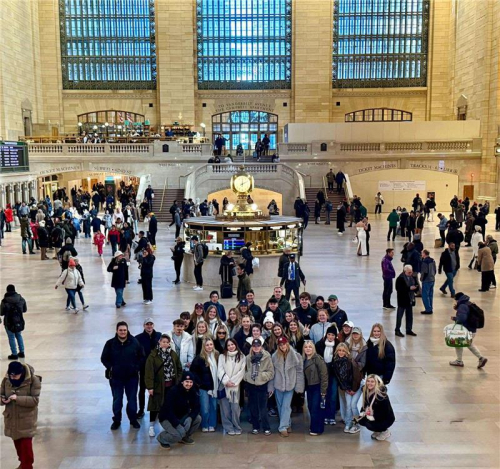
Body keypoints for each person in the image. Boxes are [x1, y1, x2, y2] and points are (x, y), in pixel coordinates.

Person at [100, 321, 144, 430]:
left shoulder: (135, 342)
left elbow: (142, 357)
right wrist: (111, 368)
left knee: (132, 400)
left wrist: (136, 367)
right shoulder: (110, 343)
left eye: (124, 330)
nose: (123, 332)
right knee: (117, 400)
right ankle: (117, 420)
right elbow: (104, 358)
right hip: (116, 378)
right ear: (116, 331)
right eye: (120, 330)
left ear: (127, 330)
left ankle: (133, 420)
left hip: (131, 378)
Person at [1, 361, 42, 469]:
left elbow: (34, 400)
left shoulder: (33, 381)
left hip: (26, 420)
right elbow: (1, 393)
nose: (13, 378)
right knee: (18, 444)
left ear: (22, 373)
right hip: (12, 419)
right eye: (11, 375)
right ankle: (23, 464)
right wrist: (2, 399)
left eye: (16, 375)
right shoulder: (6, 380)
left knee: (26, 447)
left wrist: (17, 398)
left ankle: (27, 466)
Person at [268, 337, 304, 437]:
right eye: (280, 345)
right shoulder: (274, 356)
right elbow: (272, 373)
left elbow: (299, 372)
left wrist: (299, 386)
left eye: (284, 344)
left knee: (286, 406)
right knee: (280, 406)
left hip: (290, 384)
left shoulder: (296, 356)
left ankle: (282, 427)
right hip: (278, 385)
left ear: (287, 344)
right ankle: (287, 424)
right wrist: (270, 387)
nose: (282, 346)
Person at [157, 371, 201, 449]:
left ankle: (184, 437)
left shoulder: (193, 391)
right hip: (167, 418)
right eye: (187, 381)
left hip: (181, 416)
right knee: (177, 435)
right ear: (182, 382)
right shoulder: (173, 391)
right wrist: (177, 425)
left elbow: (196, 408)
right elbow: (168, 411)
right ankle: (162, 438)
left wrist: (190, 417)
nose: (189, 384)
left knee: (198, 418)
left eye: (191, 382)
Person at [449, 292, 487, 368]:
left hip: (466, 329)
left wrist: (455, 318)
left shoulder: (462, 306)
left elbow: (462, 318)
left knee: (461, 344)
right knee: (466, 344)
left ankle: (461, 361)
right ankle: (479, 358)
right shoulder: (468, 303)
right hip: (472, 329)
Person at [244, 338, 274, 435]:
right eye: (254, 346)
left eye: (258, 346)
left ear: (261, 346)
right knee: (253, 407)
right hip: (251, 385)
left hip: (262, 385)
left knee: (263, 408)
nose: (256, 348)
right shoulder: (248, 357)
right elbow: (244, 370)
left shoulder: (267, 357)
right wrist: (247, 377)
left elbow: (271, 372)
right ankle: (255, 426)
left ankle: (266, 427)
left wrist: (262, 376)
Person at [217, 338, 246, 435]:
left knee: (235, 408)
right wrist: (226, 381)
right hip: (224, 386)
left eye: (232, 344)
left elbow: (241, 371)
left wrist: (233, 382)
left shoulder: (242, 356)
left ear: (235, 345)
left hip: (235, 387)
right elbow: (220, 370)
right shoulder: (222, 356)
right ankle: (228, 427)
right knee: (225, 409)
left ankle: (237, 426)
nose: (231, 347)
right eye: (228, 345)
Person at [333, 343, 363, 433]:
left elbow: (357, 377)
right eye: (339, 350)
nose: (341, 352)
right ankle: (348, 423)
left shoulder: (351, 362)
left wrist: (353, 390)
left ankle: (357, 423)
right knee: (348, 406)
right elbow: (339, 379)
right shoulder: (335, 363)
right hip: (347, 388)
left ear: (346, 352)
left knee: (353, 405)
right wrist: (346, 389)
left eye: (343, 350)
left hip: (356, 386)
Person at [190, 338, 219, 432]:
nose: (209, 346)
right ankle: (205, 424)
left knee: (213, 407)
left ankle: (212, 424)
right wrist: (200, 384)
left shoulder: (217, 356)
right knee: (205, 408)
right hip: (203, 388)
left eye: (211, 344)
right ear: (204, 346)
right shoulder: (199, 358)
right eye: (207, 345)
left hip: (215, 386)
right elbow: (193, 373)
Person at [135, 319, 162, 420]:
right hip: (144, 369)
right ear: (144, 325)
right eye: (147, 324)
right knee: (142, 390)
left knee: (157, 390)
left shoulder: (159, 335)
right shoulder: (138, 338)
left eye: (151, 324)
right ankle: (141, 410)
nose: (149, 326)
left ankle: (157, 409)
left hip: (156, 369)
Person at [357, 374, 395, 441]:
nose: (369, 383)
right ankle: (378, 430)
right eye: (368, 381)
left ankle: (384, 431)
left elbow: (384, 412)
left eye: (372, 381)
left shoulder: (382, 396)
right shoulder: (366, 392)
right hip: (374, 414)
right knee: (362, 421)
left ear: (376, 383)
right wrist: (362, 415)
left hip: (385, 418)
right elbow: (364, 405)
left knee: (369, 424)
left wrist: (371, 416)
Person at [303, 340, 328, 436]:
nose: (308, 349)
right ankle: (314, 425)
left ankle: (317, 428)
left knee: (315, 408)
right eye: (306, 347)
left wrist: (323, 390)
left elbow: (324, 375)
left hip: (318, 386)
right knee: (310, 407)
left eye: (310, 347)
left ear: (313, 348)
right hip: (309, 387)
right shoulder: (304, 359)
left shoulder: (318, 359)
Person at [1, 285, 27, 360]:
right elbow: (24, 309)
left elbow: (1, 312)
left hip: (8, 321)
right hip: (19, 320)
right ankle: (22, 352)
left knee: (11, 337)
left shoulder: (5, 300)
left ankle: (14, 353)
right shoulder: (21, 299)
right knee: (19, 335)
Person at [395, 265, 418, 338]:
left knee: (409, 316)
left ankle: (409, 329)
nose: (410, 274)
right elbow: (399, 289)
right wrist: (409, 288)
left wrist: (415, 288)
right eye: (409, 272)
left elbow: (416, 285)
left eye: (411, 272)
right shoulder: (400, 279)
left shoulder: (413, 277)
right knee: (400, 316)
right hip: (402, 300)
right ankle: (397, 329)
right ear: (404, 271)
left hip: (410, 300)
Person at [420, 250, 436, 314]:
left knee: (425, 295)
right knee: (430, 294)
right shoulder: (432, 260)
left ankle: (428, 309)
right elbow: (435, 270)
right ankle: (430, 307)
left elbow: (425, 271)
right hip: (432, 279)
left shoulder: (425, 261)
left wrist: (422, 278)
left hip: (426, 280)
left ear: (424, 254)